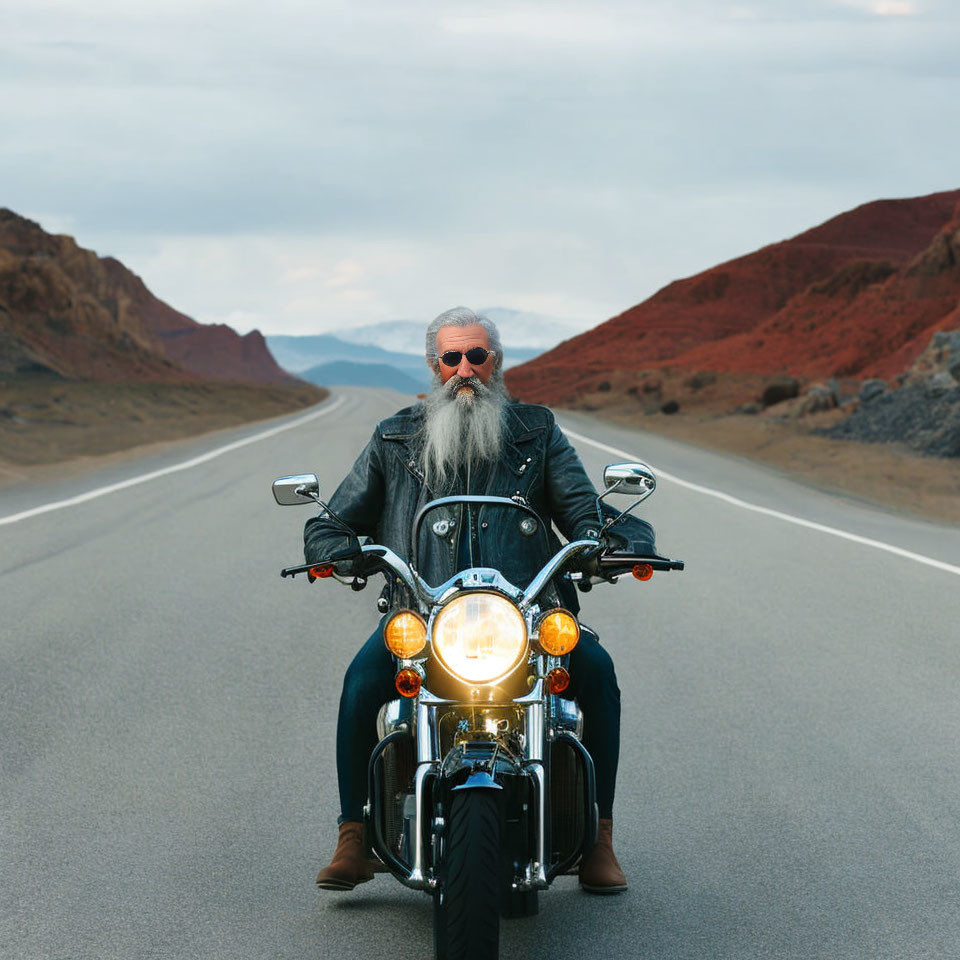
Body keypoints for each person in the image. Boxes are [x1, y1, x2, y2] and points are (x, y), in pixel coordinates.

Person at [304, 306, 655, 895]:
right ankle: (354, 835)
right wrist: (336, 548)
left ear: (496, 363)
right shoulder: (395, 436)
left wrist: (620, 543)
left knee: (598, 672)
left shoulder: (535, 430)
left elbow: (583, 511)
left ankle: (598, 837)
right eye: (451, 358)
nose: (464, 370)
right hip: (421, 612)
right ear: (433, 366)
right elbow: (333, 520)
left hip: (526, 613)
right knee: (361, 681)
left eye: (476, 356)